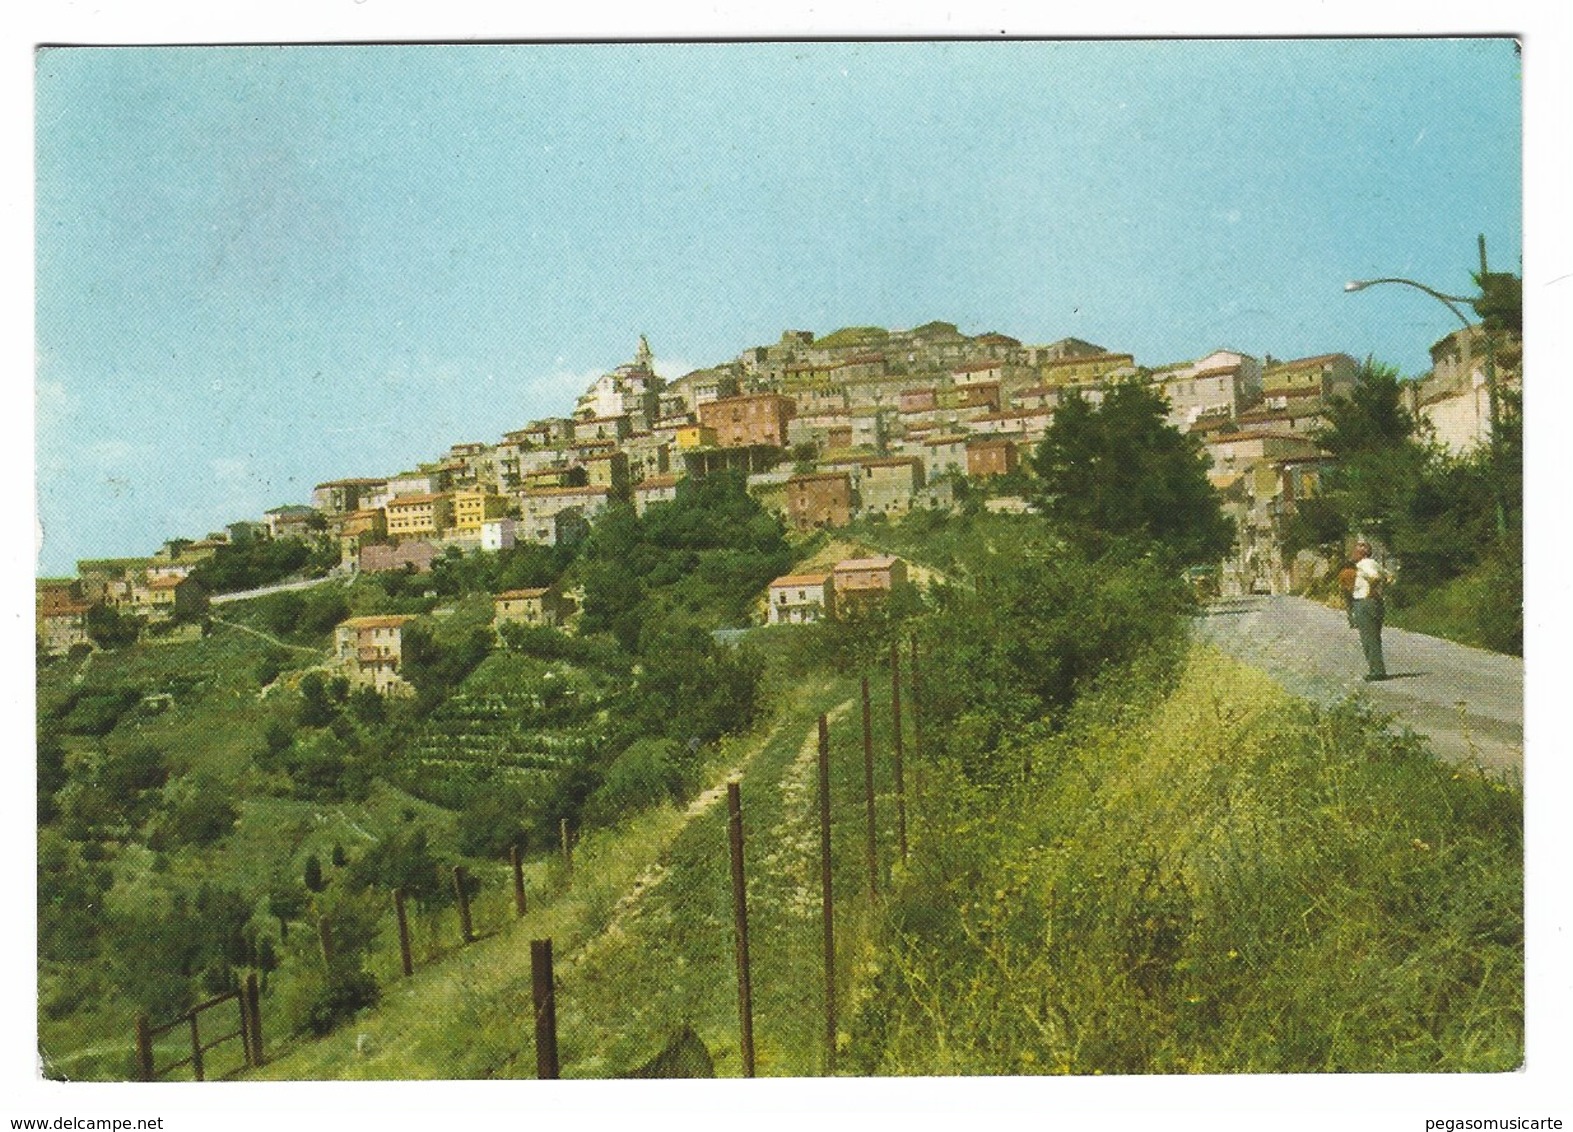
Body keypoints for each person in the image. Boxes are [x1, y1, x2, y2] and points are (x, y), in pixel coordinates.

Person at [1349, 539, 1393, 681]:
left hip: (1365, 602)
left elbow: (1374, 577)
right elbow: (1389, 577)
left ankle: (1377, 671)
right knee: (1373, 637)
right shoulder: (1374, 563)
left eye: (1355, 551)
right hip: (1374, 602)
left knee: (1369, 638)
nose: (1353, 553)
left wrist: (1371, 591)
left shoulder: (1364, 564)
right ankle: (1376, 668)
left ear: (1362, 553)